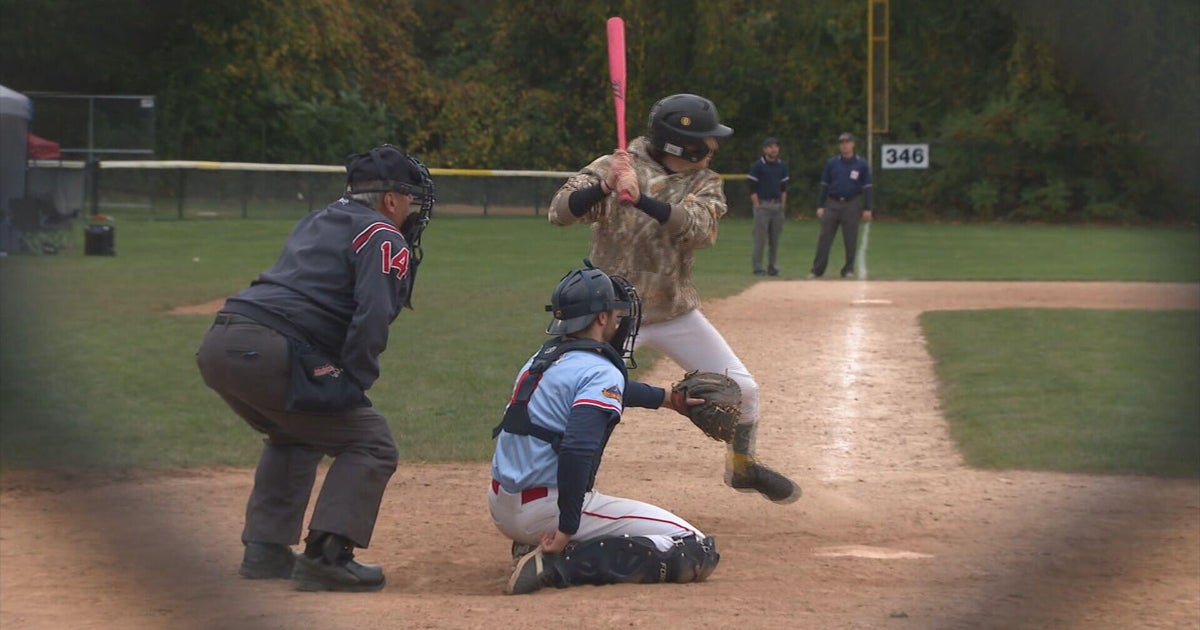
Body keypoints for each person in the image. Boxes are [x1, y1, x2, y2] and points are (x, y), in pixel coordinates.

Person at [196, 145, 435, 592]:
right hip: (273, 348)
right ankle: (328, 556)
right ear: (390, 201)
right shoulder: (384, 236)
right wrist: (353, 384)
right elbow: (372, 317)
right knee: (372, 443)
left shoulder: (318, 219)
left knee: (296, 432)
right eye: (410, 199)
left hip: (222, 342)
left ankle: (265, 549)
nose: (413, 210)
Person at [547, 93, 799, 505]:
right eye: (707, 140)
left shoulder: (705, 182)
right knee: (577, 404)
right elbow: (559, 212)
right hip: (608, 316)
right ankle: (555, 496)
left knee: (745, 390)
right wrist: (604, 186)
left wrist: (643, 200)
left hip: (670, 310)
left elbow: (700, 229)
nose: (714, 147)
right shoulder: (616, 164)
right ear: (684, 146)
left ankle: (741, 467)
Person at [490, 263, 719, 595]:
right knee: (694, 546)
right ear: (600, 318)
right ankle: (559, 563)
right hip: (548, 509)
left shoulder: (544, 359)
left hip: (502, 506)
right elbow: (577, 449)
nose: (620, 319)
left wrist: (671, 400)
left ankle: (531, 543)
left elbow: (612, 390)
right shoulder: (599, 371)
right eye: (615, 312)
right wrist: (568, 527)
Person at [808, 132, 873, 279]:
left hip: (852, 203)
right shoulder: (832, 163)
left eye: (847, 142)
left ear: (853, 144)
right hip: (832, 203)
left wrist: (868, 208)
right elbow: (824, 185)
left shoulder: (861, 164)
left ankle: (848, 269)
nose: (845, 145)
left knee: (850, 239)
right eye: (842, 142)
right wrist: (820, 205)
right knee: (824, 238)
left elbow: (867, 187)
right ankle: (817, 270)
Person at [747, 136, 789, 276]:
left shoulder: (781, 166)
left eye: (776, 146)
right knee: (760, 239)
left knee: (775, 239)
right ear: (765, 149)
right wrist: (757, 205)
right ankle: (758, 267)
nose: (774, 149)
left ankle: (773, 266)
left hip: (777, 206)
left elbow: (784, 188)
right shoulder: (758, 165)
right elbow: (752, 188)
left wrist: (782, 205)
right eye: (770, 146)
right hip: (763, 206)